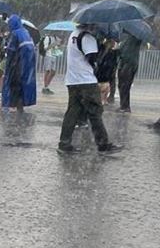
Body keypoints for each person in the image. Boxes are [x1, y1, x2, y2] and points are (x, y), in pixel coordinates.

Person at [57, 24, 123, 154]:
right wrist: (106, 47)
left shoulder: (74, 34)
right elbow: (94, 59)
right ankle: (103, 144)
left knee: (72, 112)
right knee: (95, 112)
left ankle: (64, 144)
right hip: (86, 80)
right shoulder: (87, 37)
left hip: (73, 80)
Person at [1, 15, 37, 117]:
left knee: (14, 85)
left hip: (17, 65)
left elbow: (11, 50)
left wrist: (5, 50)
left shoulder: (15, 34)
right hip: (28, 65)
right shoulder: (26, 32)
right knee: (22, 86)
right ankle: (20, 107)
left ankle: (13, 106)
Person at [117, 31, 142, 113]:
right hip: (124, 64)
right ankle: (123, 105)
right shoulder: (126, 39)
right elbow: (121, 51)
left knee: (125, 85)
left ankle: (125, 106)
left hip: (129, 64)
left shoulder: (135, 38)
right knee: (122, 85)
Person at [95, 39, 118, 105]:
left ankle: (104, 99)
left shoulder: (111, 52)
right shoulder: (105, 51)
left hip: (105, 71)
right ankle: (102, 100)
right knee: (104, 87)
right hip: (104, 71)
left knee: (106, 87)